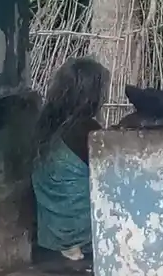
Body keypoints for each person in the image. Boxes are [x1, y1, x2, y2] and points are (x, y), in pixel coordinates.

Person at [31, 56, 108, 264]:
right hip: (82, 237)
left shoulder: (45, 126)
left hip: (50, 236)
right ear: (91, 96)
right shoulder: (87, 132)